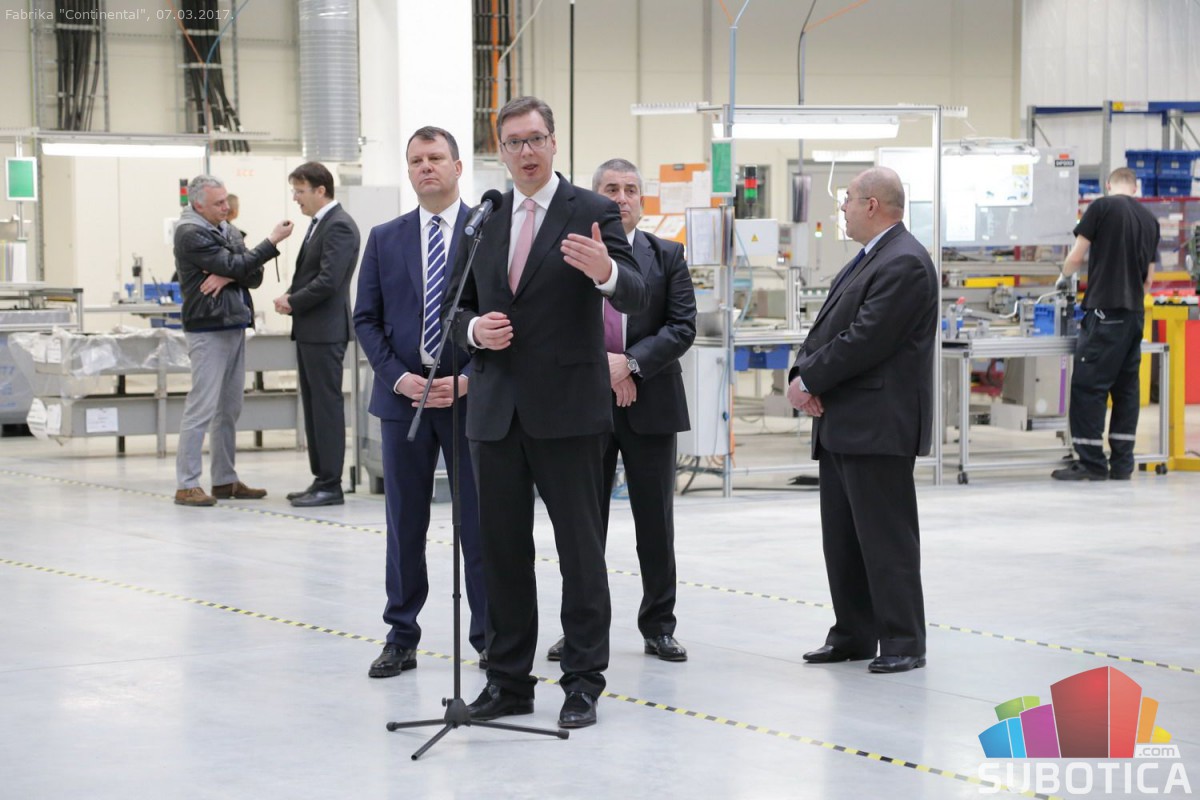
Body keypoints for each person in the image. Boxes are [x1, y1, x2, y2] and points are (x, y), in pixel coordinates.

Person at [448, 96, 647, 729]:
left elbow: (637, 292)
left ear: (554, 142)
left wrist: (607, 271)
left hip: (568, 411)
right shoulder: (484, 218)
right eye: (514, 142)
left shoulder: (591, 211)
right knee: (501, 552)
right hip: (495, 412)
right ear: (500, 151)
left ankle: (583, 682)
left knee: (580, 553)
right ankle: (508, 681)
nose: (526, 152)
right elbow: (454, 306)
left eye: (535, 139)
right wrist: (475, 330)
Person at [545, 158, 696, 665]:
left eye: (631, 189)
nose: (622, 197)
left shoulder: (667, 255)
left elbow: (682, 327)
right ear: (595, 198)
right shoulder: (569, 254)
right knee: (583, 528)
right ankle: (582, 629)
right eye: (611, 188)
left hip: (651, 403)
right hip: (584, 405)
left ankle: (659, 626)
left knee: (655, 524)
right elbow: (555, 327)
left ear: (642, 200)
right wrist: (604, 369)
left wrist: (629, 364)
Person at [787, 166, 936, 674]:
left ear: (872, 205)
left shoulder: (905, 262)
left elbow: (866, 339)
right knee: (844, 541)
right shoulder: (869, 258)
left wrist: (810, 380)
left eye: (848, 200)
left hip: (878, 426)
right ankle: (853, 634)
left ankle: (903, 641)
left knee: (885, 540)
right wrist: (803, 373)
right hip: (844, 422)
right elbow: (828, 327)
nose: (843, 209)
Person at [353, 126, 489, 678]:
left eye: (435, 157)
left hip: (469, 402)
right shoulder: (384, 238)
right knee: (404, 523)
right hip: (403, 402)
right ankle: (401, 635)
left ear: (458, 167)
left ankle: (489, 637)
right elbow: (366, 319)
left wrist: (470, 379)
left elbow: (508, 318)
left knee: (479, 523)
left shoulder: (488, 233)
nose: (425, 167)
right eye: (416, 160)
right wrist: (398, 379)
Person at [174, 175, 293, 507]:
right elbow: (241, 263)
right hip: (208, 328)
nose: (226, 207)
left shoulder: (226, 229)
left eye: (226, 200)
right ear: (198, 205)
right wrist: (268, 243)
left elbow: (252, 274)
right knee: (202, 407)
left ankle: (224, 480)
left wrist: (228, 274)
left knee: (229, 408)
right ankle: (186, 484)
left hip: (234, 323)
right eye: (219, 203)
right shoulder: (190, 232)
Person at [1051, 166, 1159, 482]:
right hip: (1134, 316)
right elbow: (1149, 280)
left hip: (1104, 314)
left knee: (1089, 387)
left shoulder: (1101, 207)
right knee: (1126, 390)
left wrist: (1063, 278)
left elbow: (1077, 256)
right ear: (1135, 188)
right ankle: (1123, 463)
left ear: (1108, 185)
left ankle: (1091, 463)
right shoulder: (1149, 219)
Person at [275, 162, 361, 507]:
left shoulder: (339, 226)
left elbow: (329, 281)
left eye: (300, 191)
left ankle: (331, 484)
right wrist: (292, 298)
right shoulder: (320, 225)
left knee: (326, 407)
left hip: (326, 331)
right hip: (311, 331)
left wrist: (292, 301)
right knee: (313, 408)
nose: (296, 198)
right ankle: (321, 478)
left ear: (320, 190)